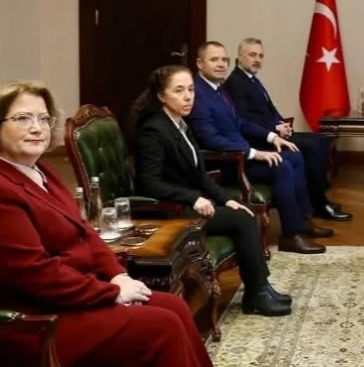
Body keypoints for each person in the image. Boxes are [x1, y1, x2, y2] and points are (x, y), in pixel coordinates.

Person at [0, 80, 213, 367]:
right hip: (39, 319)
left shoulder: (41, 172)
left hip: (76, 296)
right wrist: (111, 293)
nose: (37, 128)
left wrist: (118, 276)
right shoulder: (3, 189)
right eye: (23, 119)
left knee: (174, 305)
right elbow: (36, 274)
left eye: (43, 118)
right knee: (162, 326)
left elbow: (85, 233)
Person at [133, 65, 292, 317]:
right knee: (243, 220)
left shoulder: (180, 124)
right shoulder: (153, 130)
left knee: (244, 211)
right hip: (170, 209)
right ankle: (257, 293)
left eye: (191, 89)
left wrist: (226, 200)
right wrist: (194, 198)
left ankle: (260, 288)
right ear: (161, 96)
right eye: (179, 91)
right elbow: (149, 184)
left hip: (190, 201)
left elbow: (200, 175)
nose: (188, 97)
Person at [186, 41, 331, 255]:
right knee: (282, 166)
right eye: (214, 60)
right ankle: (290, 235)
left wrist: (272, 137)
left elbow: (241, 123)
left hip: (240, 154)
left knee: (293, 155)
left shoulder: (218, 89)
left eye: (224, 60)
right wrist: (254, 153)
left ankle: (301, 221)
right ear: (200, 63)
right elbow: (210, 139)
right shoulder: (197, 93)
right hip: (226, 164)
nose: (221, 64)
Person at [223, 38, 351, 221]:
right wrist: (274, 128)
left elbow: (269, 109)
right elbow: (244, 119)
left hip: (274, 132)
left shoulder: (251, 80)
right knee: (312, 148)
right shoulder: (235, 83)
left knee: (322, 140)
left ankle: (318, 197)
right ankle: (319, 203)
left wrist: (282, 123)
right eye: (252, 55)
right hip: (259, 139)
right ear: (240, 56)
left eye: (260, 56)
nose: (257, 60)